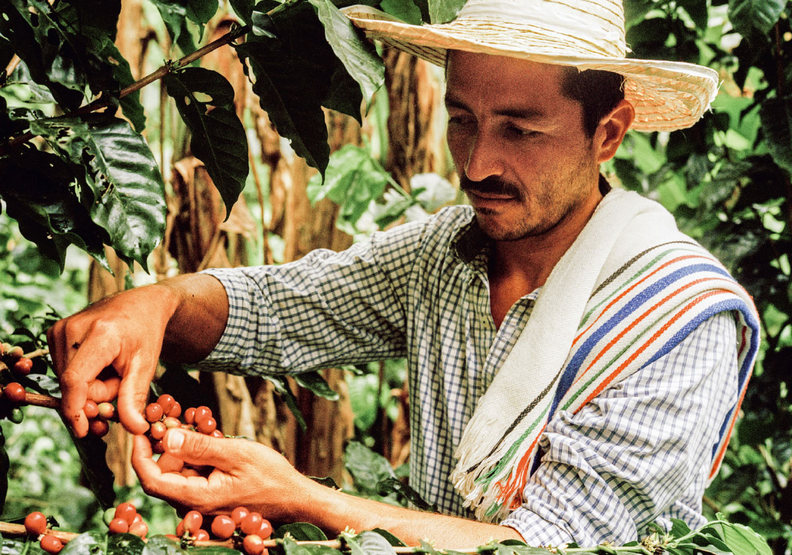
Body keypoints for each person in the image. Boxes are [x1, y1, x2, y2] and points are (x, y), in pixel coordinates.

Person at [46, 0, 760, 549]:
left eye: (520, 129)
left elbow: (551, 546)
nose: (477, 163)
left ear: (608, 132)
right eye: (461, 119)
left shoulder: (677, 319)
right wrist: (157, 304)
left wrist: (306, 499)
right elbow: (280, 310)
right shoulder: (447, 254)